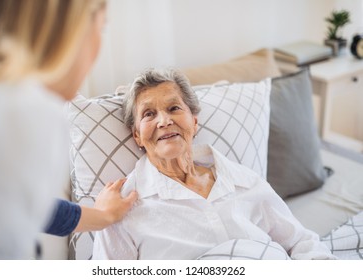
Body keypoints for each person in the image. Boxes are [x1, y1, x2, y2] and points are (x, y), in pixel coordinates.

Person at [92, 68, 336, 260]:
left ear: (194, 122)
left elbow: (301, 242)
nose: (164, 121)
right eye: (149, 114)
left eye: (174, 108)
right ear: (137, 136)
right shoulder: (121, 206)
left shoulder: (242, 180)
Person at [0, 0, 136, 259]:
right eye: (101, 28)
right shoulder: (26, 109)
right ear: (73, 29)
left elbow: (22, 206)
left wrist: (104, 216)